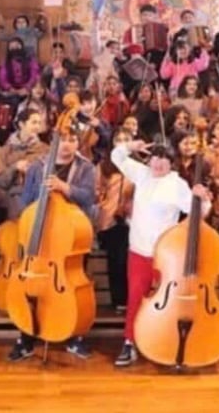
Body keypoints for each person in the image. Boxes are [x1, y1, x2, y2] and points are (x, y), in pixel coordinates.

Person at [110, 138, 212, 367]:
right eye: (155, 157)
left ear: (171, 164)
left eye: (164, 159)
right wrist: (130, 147)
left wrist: (203, 198)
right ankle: (130, 343)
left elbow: (199, 213)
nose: (158, 163)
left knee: (164, 302)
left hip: (165, 257)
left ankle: (163, 341)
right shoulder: (142, 174)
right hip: (138, 251)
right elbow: (116, 157)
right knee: (135, 298)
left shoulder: (177, 185)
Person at [8, 126, 96, 361]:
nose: (67, 144)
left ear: (78, 142)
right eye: (63, 139)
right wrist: (31, 221)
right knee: (31, 286)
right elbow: (27, 199)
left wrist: (64, 187)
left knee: (72, 286)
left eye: (72, 139)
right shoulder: (38, 166)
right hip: (40, 236)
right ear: (54, 141)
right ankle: (26, 338)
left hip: (71, 237)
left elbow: (89, 197)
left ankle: (73, 337)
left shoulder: (85, 167)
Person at [95, 129, 135, 315]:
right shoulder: (104, 166)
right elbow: (97, 190)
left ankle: (133, 299)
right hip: (110, 218)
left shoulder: (139, 165)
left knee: (129, 258)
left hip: (132, 219)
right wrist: (104, 204)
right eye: (118, 139)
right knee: (116, 259)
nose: (122, 142)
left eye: (126, 139)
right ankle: (119, 299)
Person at [0, 108, 49, 221]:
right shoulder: (4, 150)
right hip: (11, 194)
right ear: (21, 124)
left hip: (36, 193)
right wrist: (15, 167)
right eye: (34, 122)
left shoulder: (45, 149)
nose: (37, 127)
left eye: (39, 123)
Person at [0, 37, 40, 106]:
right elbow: (2, 78)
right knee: (13, 101)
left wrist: (27, 88)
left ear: (22, 47)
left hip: (27, 90)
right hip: (11, 91)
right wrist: (10, 88)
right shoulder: (6, 62)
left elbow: (35, 75)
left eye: (17, 46)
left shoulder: (30, 60)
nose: (15, 48)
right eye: (12, 47)